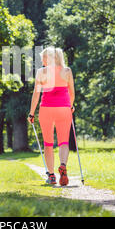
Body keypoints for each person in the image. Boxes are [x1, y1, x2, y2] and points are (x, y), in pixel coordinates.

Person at [28, 46, 75, 186]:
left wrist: (31, 113)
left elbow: (36, 95)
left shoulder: (41, 72)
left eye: (43, 57)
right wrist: (70, 106)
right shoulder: (67, 71)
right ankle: (63, 165)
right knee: (63, 142)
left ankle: (52, 175)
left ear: (49, 58)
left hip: (46, 109)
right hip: (64, 109)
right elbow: (72, 92)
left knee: (48, 144)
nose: (41, 60)